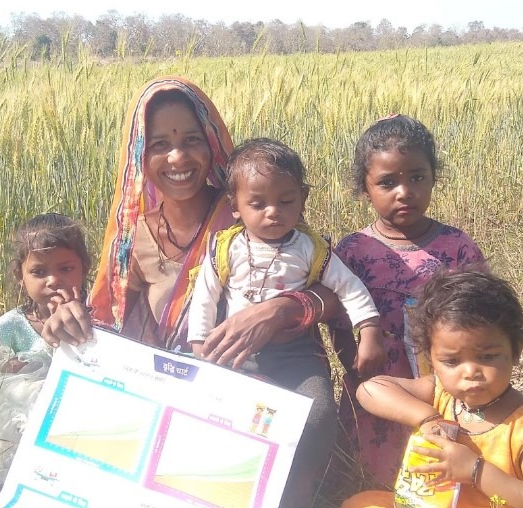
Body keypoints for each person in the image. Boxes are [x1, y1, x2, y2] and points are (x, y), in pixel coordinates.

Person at [40, 77, 341, 506]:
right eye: (160, 144)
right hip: (188, 382)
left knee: (308, 420)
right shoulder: (132, 239)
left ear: (212, 144)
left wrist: (280, 309)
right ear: (140, 155)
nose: (177, 157)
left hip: (274, 368)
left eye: (191, 140)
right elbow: (110, 323)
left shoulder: (250, 209)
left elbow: (331, 290)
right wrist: (69, 324)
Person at [187, 137, 383, 505]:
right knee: (228, 420)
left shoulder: (312, 249)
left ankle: (299, 487)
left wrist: (369, 330)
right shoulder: (224, 248)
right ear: (234, 206)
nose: (273, 212)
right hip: (236, 355)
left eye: (286, 201)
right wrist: (200, 346)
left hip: (298, 356)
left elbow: (350, 288)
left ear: (303, 198)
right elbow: (205, 297)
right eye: (258, 204)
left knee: (317, 413)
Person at [329, 114, 487, 486]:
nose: (404, 191)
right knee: (371, 482)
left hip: (444, 383)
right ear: (365, 187)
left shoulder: (456, 247)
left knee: (442, 475)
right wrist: (355, 365)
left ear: (433, 177)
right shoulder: (353, 251)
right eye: (387, 182)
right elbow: (338, 321)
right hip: (378, 384)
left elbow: (484, 314)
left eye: (417, 177)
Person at [343, 271, 523, 508]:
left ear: (516, 351)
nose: (470, 372)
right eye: (451, 361)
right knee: (359, 504)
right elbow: (369, 390)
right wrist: (427, 418)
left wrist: (475, 470)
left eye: (487, 356)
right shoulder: (441, 393)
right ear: (430, 359)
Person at [0, 213, 91, 483]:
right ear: (20, 276)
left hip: (81, 435)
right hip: (26, 438)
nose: (53, 280)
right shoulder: (10, 326)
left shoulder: (98, 321)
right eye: (39, 272)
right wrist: (11, 369)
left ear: (84, 267)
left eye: (66, 269)